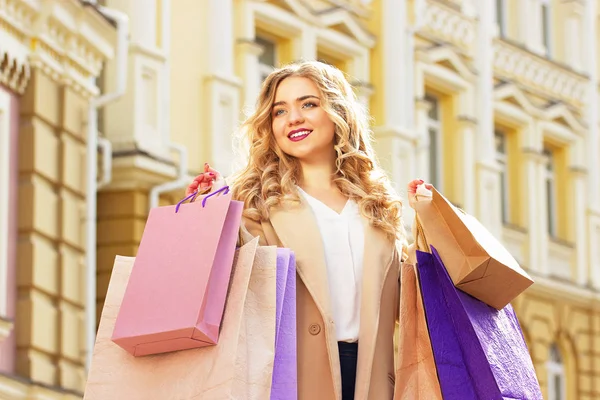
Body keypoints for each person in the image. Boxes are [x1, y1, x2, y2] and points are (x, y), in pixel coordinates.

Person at [186, 60, 431, 400]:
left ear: (337, 111)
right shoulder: (255, 203)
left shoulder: (377, 207)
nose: (294, 118)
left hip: (371, 382)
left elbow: (414, 304)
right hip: (287, 381)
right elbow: (230, 284)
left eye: (308, 104)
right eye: (279, 111)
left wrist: (431, 222)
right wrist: (212, 212)